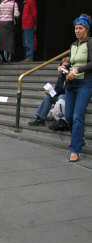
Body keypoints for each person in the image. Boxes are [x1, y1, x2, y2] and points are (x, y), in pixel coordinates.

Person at [64, 14, 92, 162]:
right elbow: (71, 62)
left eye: (80, 28)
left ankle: (75, 149)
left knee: (77, 116)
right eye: (75, 28)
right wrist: (64, 66)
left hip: (85, 84)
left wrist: (78, 70)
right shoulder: (73, 45)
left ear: (86, 30)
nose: (77, 31)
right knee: (68, 116)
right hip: (71, 84)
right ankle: (79, 139)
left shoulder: (90, 43)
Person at [28, 57, 70, 127]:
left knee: (61, 97)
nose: (63, 68)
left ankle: (61, 120)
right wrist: (50, 91)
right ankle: (40, 119)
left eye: (65, 66)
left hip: (67, 97)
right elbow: (58, 90)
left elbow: (67, 89)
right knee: (48, 97)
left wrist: (66, 75)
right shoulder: (61, 76)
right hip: (60, 96)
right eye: (62, 66)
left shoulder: (69, 74)